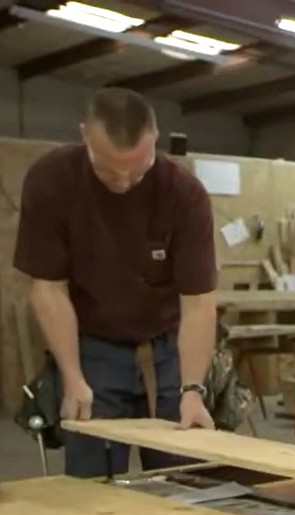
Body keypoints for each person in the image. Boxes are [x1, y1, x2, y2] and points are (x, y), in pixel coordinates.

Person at [13, 87, 218, 478]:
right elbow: (48, 289)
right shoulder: (52, 181)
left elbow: (198, 304)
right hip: (93, 350)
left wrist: (192, 390)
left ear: (155, 139)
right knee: (93, 480)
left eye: (138, 169)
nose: (125, 183)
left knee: (182, 481)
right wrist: (72, 377)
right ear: (85, 137)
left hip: (169, 348)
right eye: (109, 169)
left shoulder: (184, 194)